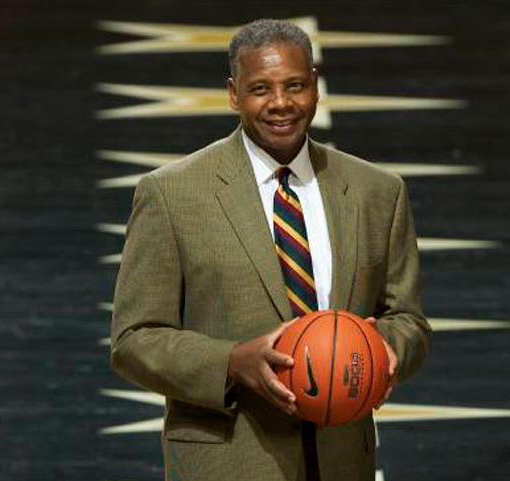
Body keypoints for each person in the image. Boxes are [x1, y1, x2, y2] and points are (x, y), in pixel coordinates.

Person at [110, 18, 430, 481]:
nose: (281, 103)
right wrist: (232, 362)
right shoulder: (172, 194)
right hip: (227, 464)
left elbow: (409, 320)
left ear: (315, 87)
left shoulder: (377, 191)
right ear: (233, 94)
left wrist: (382, 350)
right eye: (260, 89)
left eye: (295, 85)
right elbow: (133, 340)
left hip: (343, 461)